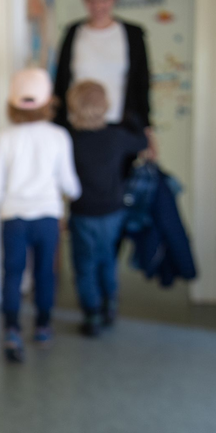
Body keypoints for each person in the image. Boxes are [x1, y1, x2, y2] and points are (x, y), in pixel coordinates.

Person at [0, 69, 81, 363]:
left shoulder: (3, 138)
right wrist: (75, 193)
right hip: (48, 217)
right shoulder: (59, 137)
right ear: (49, 102)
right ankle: (42, 327)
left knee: (12, 274)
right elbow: (69, 184)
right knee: (44, 274)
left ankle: (11, 330)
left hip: (13, 217)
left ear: (11, 104)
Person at [66, 81, 155, 337]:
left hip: (82, 212)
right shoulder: (116, 137)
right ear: (105, 106)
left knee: (84, 264)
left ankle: (91, 313)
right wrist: (133, 119)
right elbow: (140, 142)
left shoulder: (70, 138)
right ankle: (110, 305)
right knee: (107, 260)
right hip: (113, 211)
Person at [54, 0, 152, 133]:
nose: (97, 6)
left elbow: (141, 84)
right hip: (76, 127)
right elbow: (60, 83)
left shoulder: (133, 35)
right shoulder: (73, 32)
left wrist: (147, 128)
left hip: (120, 127)